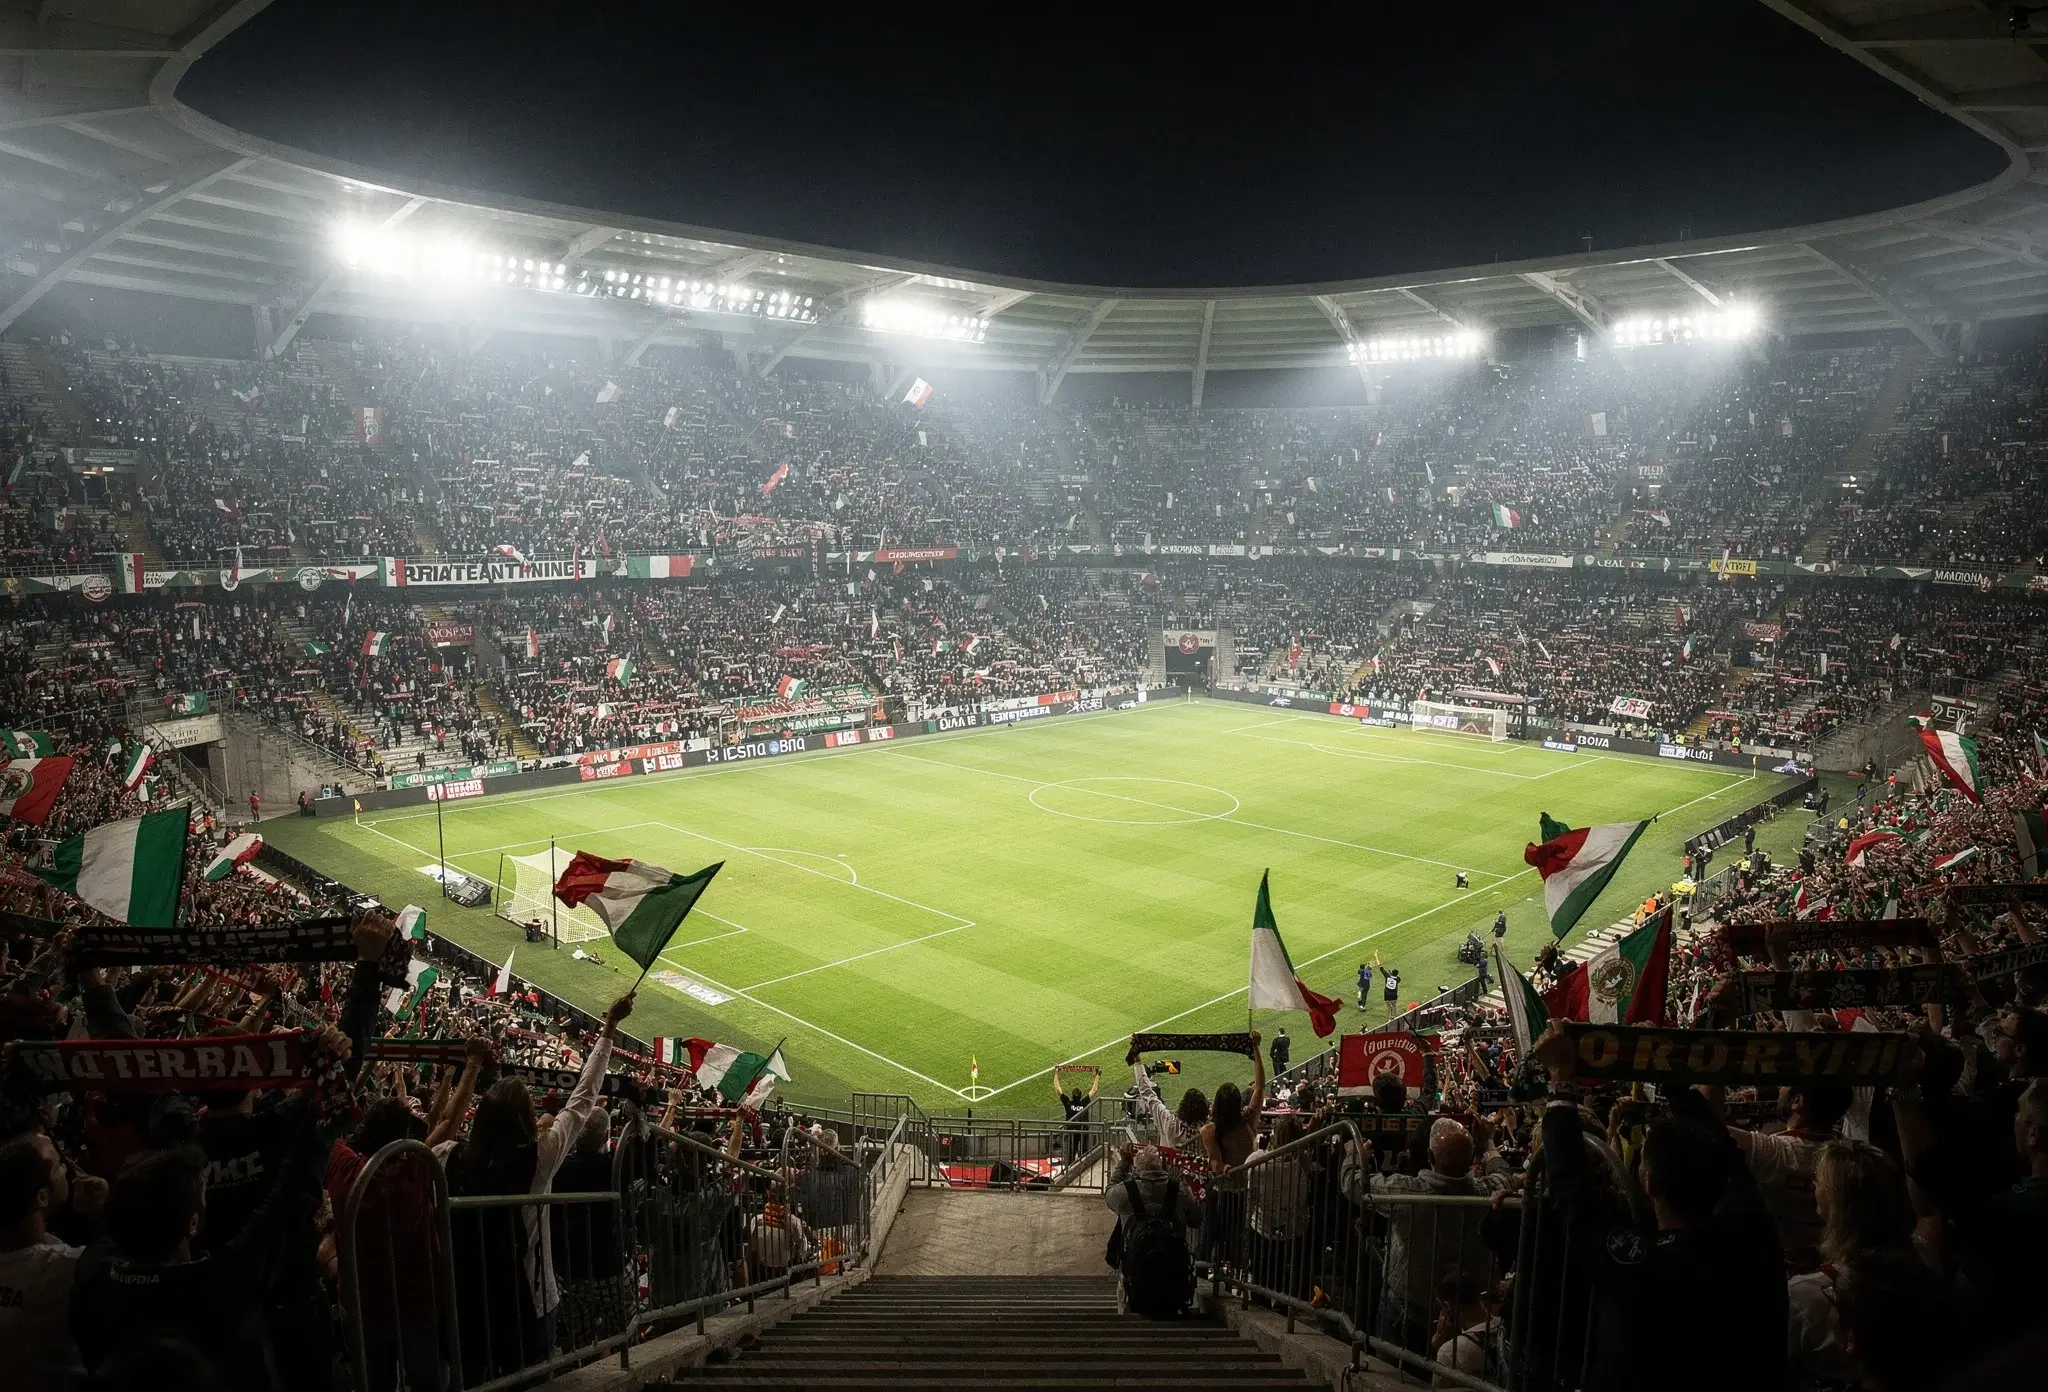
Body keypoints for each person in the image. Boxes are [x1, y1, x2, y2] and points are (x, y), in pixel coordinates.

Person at [1527, 1023, 1786, 1392]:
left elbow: (1571, 1192)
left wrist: (1560, 1080)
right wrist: (1660, 1067)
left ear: (1648, 1184)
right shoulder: (1754, 1234)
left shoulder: (1642, 1264)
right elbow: (1723, 1151)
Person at [1340, 1116, 1509, 1352]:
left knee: (1394, 1371)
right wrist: (1489, 1143)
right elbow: (1502, 1174)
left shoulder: (1406, 1191)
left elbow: (1352, 1184)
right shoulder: (1485, 1192)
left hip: (1408, 1306)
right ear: (1472, 1159)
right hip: (1464, 1309)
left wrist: (1354, 1155)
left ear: (1430, 1158)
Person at [0, 1135, 87, 1392]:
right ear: (42, 1196)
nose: (69, 1168)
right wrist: (96, 1214)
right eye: (61, 1164)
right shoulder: (67, 1267)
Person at [1105, 1144, 1202, 1316]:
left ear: (1137, 1169)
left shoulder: (1125, 1192)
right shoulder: (1180, 1191)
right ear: (1162, 1166)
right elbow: (1196, 1220)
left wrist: (1124, 1163)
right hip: (1174, 1271)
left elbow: (1109, 1194)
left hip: (1136, 1270)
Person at [1127, 1048, 1206, 1152]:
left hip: (1168, 1166)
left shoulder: (1168, 1122)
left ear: (1182, 1105)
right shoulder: (1205, 1133)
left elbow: (1146, 1092)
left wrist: (1137, 1062)